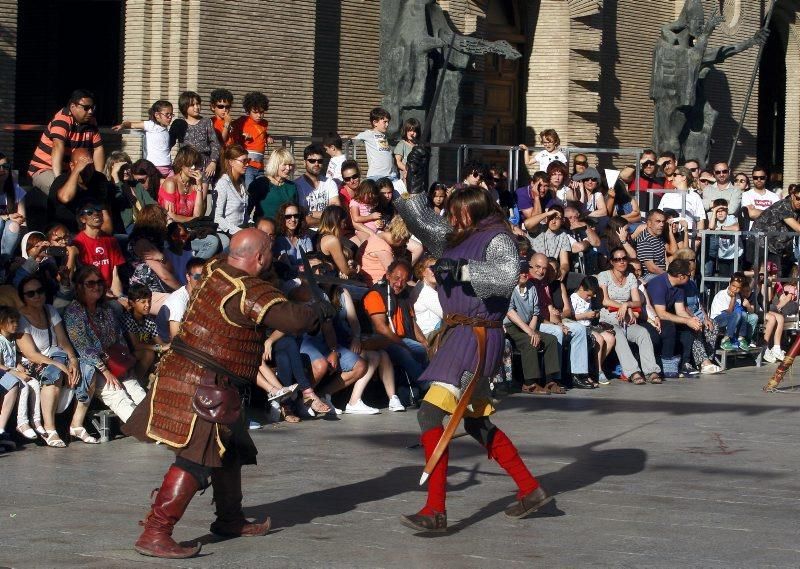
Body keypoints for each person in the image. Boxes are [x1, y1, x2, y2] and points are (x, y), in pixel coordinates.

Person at [123, 228, 332, 559]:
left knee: (229, 449)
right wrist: (318, 308)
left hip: (205, 379)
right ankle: (155, 531)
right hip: (205, 384)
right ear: (260, 257)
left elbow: (259, 286)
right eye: (267, 257)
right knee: (195, 458)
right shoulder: (246, 289)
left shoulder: (215, 268)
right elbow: (291, 319)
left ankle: (229, 519)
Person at [395, 184, 551, 533]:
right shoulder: (456, 238)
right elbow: (421, 222)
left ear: (472, 210)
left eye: (456, 212)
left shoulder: (499, 238)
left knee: (430, 412)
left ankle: (435, 508)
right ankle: (531, 489)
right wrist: (412, 183)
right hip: (461, 335)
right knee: (476, 422)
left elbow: (506, 277)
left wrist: (458, 272)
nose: (450, 218)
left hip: (475, 336)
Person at [64, 265, 147, 424]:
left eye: (99, 282)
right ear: (80, 286)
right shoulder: (74, 312)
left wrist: (124, 361)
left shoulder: (106, 309)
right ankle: (140, 428)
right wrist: (105, 370)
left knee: (137, 391)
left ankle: (156, 426)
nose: (96, 287)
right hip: (92, 366)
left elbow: (118, 337)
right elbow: (83, 347)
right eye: (90, 283)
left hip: (114, 360)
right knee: (117, 394)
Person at [17, 275, 86, 447]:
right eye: (30, 293)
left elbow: (63, 341)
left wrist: (73, 361)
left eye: (40, 291)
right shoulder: (20, 319)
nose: (37, 296)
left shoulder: (50, 310)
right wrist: (59, 365)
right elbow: (31, 354)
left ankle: (76, 424)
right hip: (33, 364)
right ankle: (50, 429)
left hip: (57, 357)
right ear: (23, 297)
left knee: (87, 369)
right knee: (54, 374)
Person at [597, 247, 661, 385]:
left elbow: (637, 301)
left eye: (624, 258)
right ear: (612, 262)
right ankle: (633, 372)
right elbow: (605, 300)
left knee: (642, 332)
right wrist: (623, 307)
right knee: (617, 334)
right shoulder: (604, 275)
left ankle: (651, 370)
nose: (621, 262)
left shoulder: (631, 277)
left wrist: (627, 305)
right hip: (609, 319)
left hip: (626, 319)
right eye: (617, 259)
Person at [28, 89, 105, 195]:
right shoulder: (62, 119)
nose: (90, 111)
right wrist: (58, 178)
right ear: (73, 106)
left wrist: (98, 176)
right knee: (61, 190)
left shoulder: (92, 122)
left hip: (72, 170)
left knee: (100, 189)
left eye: (92, 107)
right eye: (86, 108)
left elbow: (98, 148)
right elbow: (57, 145)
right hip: (45, 169)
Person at [504, 258, 562, 394]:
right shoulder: (509, 288)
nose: (523, 274)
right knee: (529, 342)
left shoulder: (531, 288)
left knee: (551, 340)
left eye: (525, 271)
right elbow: (510, 312)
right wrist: (530, 332)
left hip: (528, 325)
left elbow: (535, 312)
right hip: (512, 327)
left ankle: (550, 380)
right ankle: (530, 383)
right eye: (520, 272)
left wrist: (532, 330)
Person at [158, 146, 221, 259]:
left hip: (190, 229)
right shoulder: (171, 183)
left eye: (196, 164)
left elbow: (198, 214)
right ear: (181, 164)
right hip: (173, 232)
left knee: (224, 241)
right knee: (212, 242)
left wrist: (199, 185)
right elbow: (171, 216)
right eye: (189, 164)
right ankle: (191, 269)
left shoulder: (196, 183)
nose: (193, 167)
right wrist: (193, 220)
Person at [645, 259, 702, 375]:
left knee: (690, 328)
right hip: (650, 318)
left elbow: (680, 310)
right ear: (681, 276)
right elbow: (661, 313)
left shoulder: (679, 287)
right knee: (669, 327)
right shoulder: (659, 285)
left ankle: (685, 363)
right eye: (689, 275)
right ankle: (666, 363)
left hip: (663, 317)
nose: (690, 277)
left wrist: (692, 320)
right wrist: (687, 320)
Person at [48, 147, 112, 234]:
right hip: (66, 233)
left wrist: (100, 238)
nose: (87, 170)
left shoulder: (99, 179)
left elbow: (105, 214)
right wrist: (77, 170)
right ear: (71, 165)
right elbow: (65, 198)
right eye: (83, 166)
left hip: (92, 233)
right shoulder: (62, 180)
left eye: (90, 166)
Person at [72, 202, 126, 301]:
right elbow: (83, 279)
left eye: (98, 211)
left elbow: (115, 275)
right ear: (82, 219)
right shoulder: (77, 243)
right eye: (89, 212)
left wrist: (119, 298)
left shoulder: (111, 241)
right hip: (89, 295)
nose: (96, 214)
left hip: (109, 293)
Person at [169, 91, 220, 194]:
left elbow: (215, 143)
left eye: (198, 104)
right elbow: (168, 143)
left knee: (201, 195)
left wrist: (213, 162)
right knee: (185, 194)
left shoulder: (206, 122)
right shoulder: (179, 123)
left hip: (203, 164)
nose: (197, 107)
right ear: (184, 107)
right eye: (192, 105)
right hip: (185, 164)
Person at [571, 277, 616, 384]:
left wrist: (595, 314)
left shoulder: (589, 298)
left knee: (610, 339)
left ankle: (594, 367)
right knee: (599, 339)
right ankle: (599, 370)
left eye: (591, 296)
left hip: (590, 325)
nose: (589, 298)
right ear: (581, 288)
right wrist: (585, 315)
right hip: (580, 326)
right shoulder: (574, 298)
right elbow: (571, 317)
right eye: (588, 295)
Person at [112, 100, 174, 177]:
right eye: (167, 114)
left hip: (168, 167)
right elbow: (131, 124)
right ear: (157, 115)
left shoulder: (165, 128)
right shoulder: (151, 125)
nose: (170, 117)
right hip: (154, 167)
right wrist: (123, 125)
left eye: (171, 114)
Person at [122, 284, 170, 381]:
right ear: (132, 303)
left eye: (149, 301)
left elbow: (159, 342)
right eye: (143, 302)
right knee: (148, 354)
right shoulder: (128, 319)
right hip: (127, 353)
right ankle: (137, 381)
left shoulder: (149, 320)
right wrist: (159, 348)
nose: (147, 305)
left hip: (144, 351)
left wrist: (167, 347)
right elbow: (136, 345)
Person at [0, 306, 29, 452]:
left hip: (11, 372)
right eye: (11, 321)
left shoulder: (11, 339)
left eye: (16, 321)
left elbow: (12, 358)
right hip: (5, 374)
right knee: (14, 383)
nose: (15, 324)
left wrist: (19, 366)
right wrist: (16, 373)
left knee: (28, 384)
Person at [230, 91, 272, 188]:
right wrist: (241, 135)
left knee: (262, 189)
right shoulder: (242, 121)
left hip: (260, 166)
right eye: (255, 112)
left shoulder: (264, 123)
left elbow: (261, 133)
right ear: (248, 111)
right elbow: (231, 130)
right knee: (249, 189)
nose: (259, 115)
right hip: (248, 165)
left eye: (261, 112)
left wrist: (267, 136)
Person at [157, 257, 205, 341]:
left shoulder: (200, 294)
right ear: (188, 277)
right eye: (197, 277)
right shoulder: (178, 302)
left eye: (205, 276)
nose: (202, 280)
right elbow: (175, 338)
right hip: (166, 343)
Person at [213, 144, 251, 249]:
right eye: (243, 161)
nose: (247, 164)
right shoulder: (223, 184)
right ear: (231, 162)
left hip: (241, 230)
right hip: (226, 232)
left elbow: (244, 214)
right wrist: (238, 231)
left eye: (248, 160)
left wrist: (251, 224)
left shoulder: (242, 183)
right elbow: (217, 218)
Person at [294, 144, 340, 230]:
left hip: (329, 231)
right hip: (306, 233)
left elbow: (336, 212)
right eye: (312, 161)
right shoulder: (296, 185)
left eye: (320, 161)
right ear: (304, 162)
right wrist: (328, 219)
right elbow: (303, 219)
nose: (316, 164)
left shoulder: (330, 183)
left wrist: (310, 213)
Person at [248, 148, 298, 221]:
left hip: (285, 231)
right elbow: (247, 210)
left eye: (290, 165)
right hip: (263, 230)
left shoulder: (292, 186)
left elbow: (296, 212)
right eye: (284, 164)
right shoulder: (259, 183)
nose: (288, 168)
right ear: (275, 164)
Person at [359, 215, 411, 285]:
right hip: (376, 285)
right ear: (401, 237)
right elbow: (395, 276)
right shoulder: (383, 248)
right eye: (406, 240)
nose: (406, 243)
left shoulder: (378, 237)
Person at [709, 274, 753, 352]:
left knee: (743, 314)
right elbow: (729, 312)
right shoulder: (722, 294)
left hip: (731, 318)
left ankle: (741, 338)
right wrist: (733, 298)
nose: (735, 289)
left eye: (738, 287)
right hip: (717, 320)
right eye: (733, 286)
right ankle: (726, 339)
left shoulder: (738, 296)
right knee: (737, 314)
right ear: (729, 283)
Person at [354, 107, 398, 181]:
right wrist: (347, 137)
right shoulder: (368, 134)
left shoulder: (385, 136)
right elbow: (353, 139)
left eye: (388, 122)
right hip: (376, 176)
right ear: (375, 123)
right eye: (385, 122)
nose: (387, 124)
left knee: (404, 192)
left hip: (391, 175)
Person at [316, 205, 357, 278]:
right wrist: (356, 269)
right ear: (336, 222)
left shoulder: (319, 235)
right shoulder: (332, 240)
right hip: (331, 281)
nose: (345, 225)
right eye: (344, 222)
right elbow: (346, 271)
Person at [0, 152, 27, 261]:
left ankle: (3, 264)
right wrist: (7, 217)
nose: (2, 170)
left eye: (5, 166)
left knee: (14, 225)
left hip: (10, 238)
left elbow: (24, 222)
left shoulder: (16, 190)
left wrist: (25, 252)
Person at [273, 203, 313, 271]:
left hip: (307, 275)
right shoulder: (279, 240)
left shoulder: (305, 238)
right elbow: (286, 265)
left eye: (296, 216)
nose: (293, 219)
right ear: (282, 218)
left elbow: (311, 260)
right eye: (288, 216)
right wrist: (301, 268)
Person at [413, 256, 443, 339]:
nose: (435, 271)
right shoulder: (425, 291)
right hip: (430, 335)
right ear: (422, 271)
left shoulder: (421, 285)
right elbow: (446, 314)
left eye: (438, 268)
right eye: (431, 268)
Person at [634, 209, 667, 279]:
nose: (662, 224)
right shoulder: (645, 240)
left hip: (660, 273)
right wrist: (669, 276)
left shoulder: (659, 236)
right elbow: (651, 267)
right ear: (649, 223)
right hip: (649, 276)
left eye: (663, 222)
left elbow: (669, 253)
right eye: (658, 221)